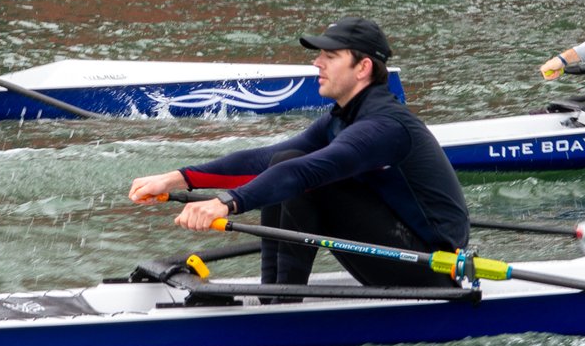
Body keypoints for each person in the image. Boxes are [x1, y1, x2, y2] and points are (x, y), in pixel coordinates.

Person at [128, 18, 468, 296]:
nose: (317, 62)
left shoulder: (384, 125)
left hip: (430, 266)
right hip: (401, 250)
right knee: (283, 162)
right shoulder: (344, 117)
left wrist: (227, 203)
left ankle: (281, 303)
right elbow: (265, 158)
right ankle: (275, 295)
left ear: (363, 67)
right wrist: (179, 177)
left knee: (302, 178)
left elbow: (306, 171)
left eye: (330, 56)